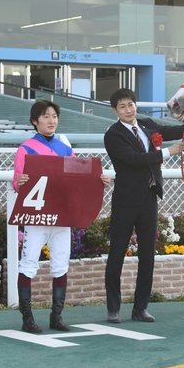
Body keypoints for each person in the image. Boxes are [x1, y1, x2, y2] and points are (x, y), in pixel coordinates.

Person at [103, 88, 184, 324]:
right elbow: (133, 159)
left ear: (135, 105)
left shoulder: (147, 124)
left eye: (130, 105)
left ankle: (140, 308)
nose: (128, 110)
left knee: (148, 255)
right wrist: (167, 152)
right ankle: (113, 308)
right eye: (122, 107)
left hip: (149, 198)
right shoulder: (112, 135)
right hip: (125, 201)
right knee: (117, 254)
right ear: (115, 111)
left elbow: (177, 130)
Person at [13, 100, 111, 333]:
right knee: (28, 264)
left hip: (62, 216)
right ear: (35, 121)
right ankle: (27, 318)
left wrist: (99, 180)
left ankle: (56, 316)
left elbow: (80, 178)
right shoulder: (25, 149)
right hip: (37, 217)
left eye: (54, 116)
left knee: (60, 265)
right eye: (46, 116)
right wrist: (20, 181)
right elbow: (17, 181)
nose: (51, 120)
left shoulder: (65, 148)